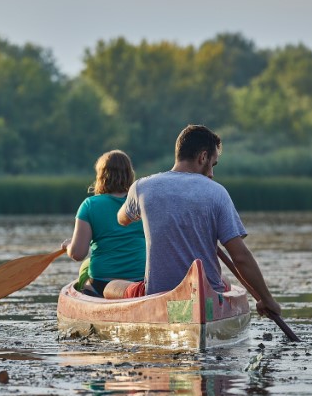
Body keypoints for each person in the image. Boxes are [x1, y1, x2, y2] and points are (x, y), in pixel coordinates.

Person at [117, 124, 281, 318]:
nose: (211, 173)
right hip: (206, 300)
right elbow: (240, 257)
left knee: (110, 287)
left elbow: (122, 219)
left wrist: (144, 210)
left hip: (159, 298)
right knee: (225, 281)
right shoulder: (217, 192)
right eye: (213, 164)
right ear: (203, 157)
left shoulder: (142, 187)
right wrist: (267, 299)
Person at [60, 150, 146, 297]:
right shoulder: (141, 202)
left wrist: (68, 246)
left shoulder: (90, 205)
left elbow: (78, 253)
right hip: (141, 282)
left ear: (101, 176)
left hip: (102, 283)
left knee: (84, 271)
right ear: (130, 174)